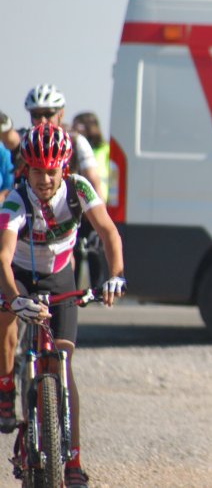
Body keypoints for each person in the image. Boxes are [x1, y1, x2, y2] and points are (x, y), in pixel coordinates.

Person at [0, 123, 126, 488]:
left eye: (51, 171)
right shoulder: (16, 199)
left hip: (59, 277)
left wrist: (115, 276)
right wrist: (15, 298)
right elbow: (3, 256)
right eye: (37, 171)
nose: (44, 179)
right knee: (6, 322)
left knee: (64, 364)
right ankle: (5, 386)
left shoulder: (79, 189)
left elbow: (108, 232)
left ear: (64, 169)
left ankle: (73, 462)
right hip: (20, 275)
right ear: (26, 170)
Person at [71, 112, 110, 289]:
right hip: (79, 204)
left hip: (98, 204)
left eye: (79, 126)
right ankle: (74, 289)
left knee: (95, 251)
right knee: (77, 250)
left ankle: (97, 288)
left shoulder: (104, 149)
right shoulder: (74, 148)